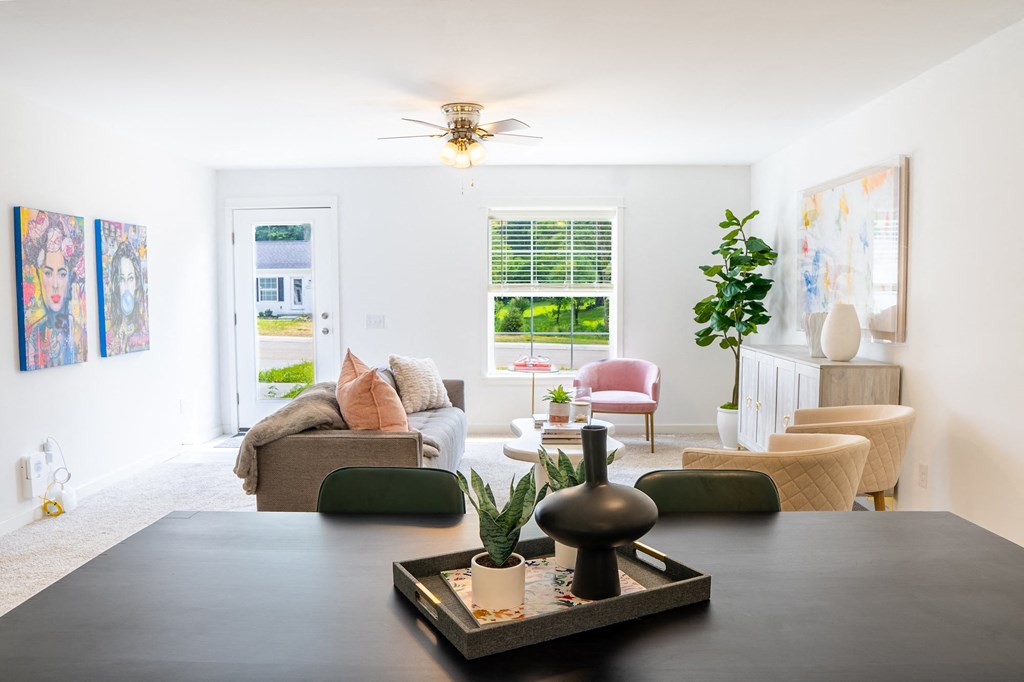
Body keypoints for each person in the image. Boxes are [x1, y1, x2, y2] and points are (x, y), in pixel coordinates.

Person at [21, 210, 87, 370]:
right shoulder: (32, 336)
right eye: (48, 273)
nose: (55, 284)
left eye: (62, 274)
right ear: (38, 274)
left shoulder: (80, 337)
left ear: (70, 277)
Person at [105, 239, 149, 355]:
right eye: (121, 279)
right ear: (115, 285)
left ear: (137, 282)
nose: (126, 287)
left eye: (130, 278)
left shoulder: (144, 330)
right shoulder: (111, 334)